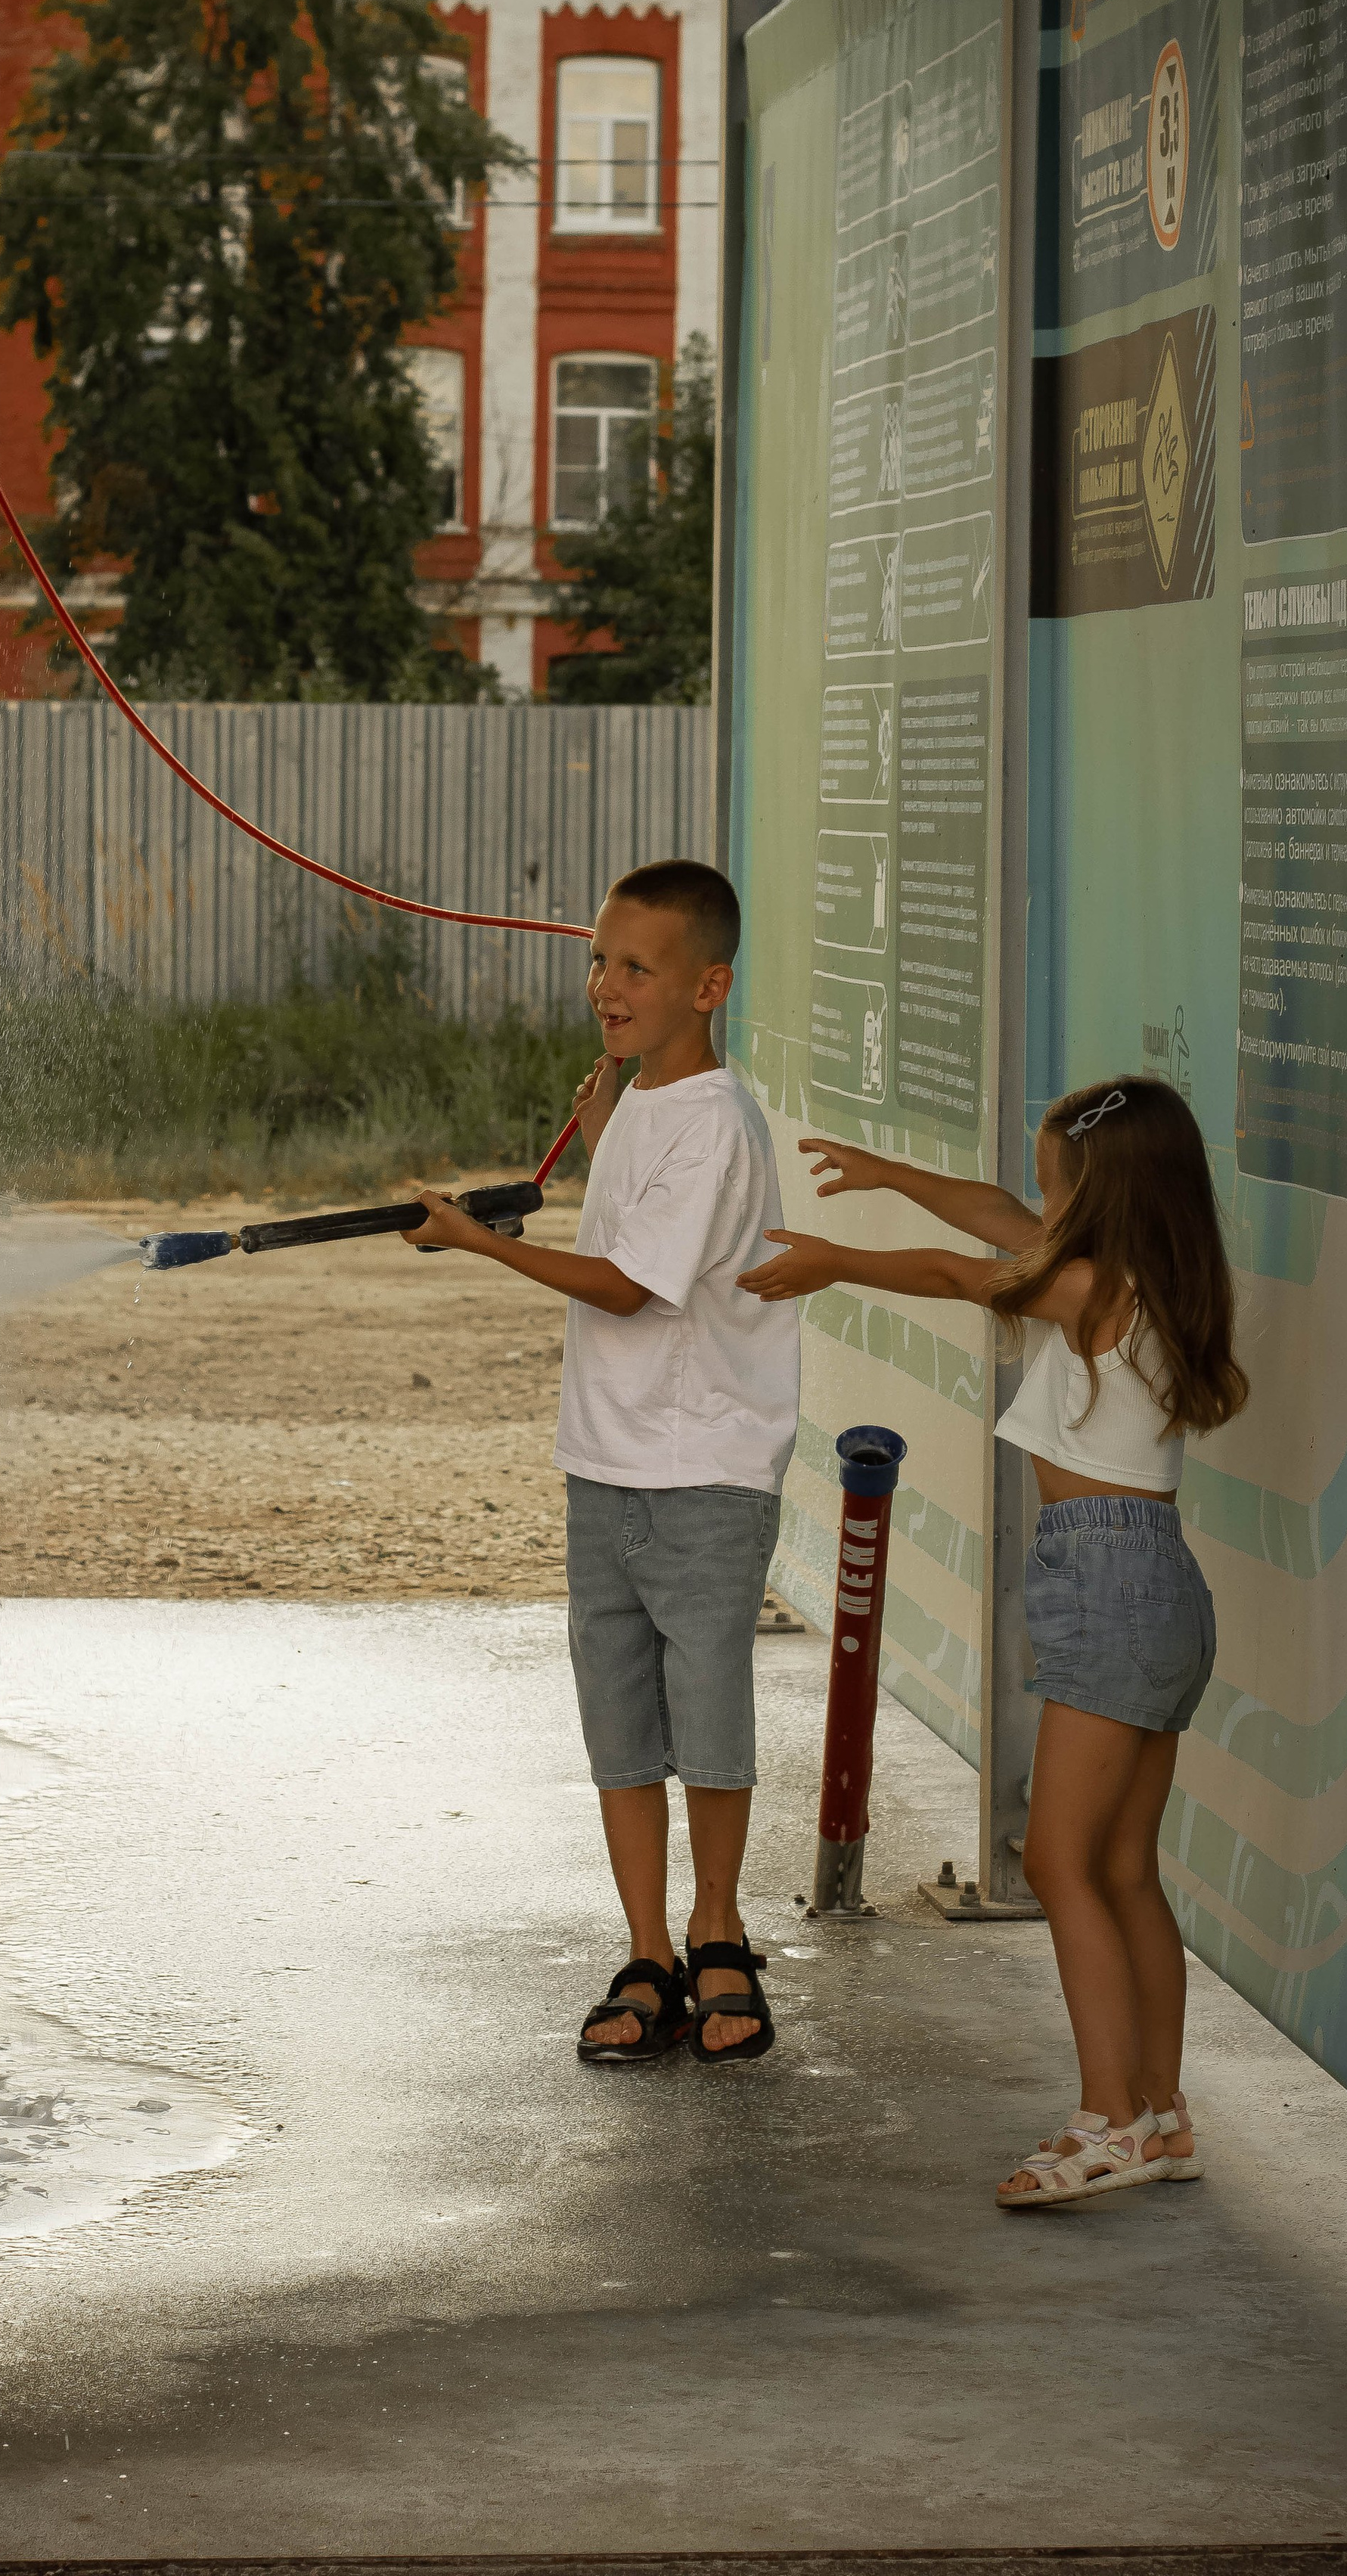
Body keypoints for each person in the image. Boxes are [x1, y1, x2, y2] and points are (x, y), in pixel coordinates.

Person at [736, 1075, 1248, 2202]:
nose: (1040, 1198)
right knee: (1123, 1868)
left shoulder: (1092, 1286)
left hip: (1108, 1576)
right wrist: (891, 1177)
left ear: (1103, 1192)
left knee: (1062, 1860)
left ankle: (1107, 2119)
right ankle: (1159, 2119)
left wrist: (840, 1262)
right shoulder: (1141, 1278)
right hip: (1151, 1577)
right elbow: (987, 1220)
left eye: (1057, 1179)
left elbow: (964, 1274)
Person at [405, 859, 800, 2066]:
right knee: (622, 1719)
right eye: (598, 960)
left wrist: (476, 1245)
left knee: (709, 1712)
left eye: (638, 968)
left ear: (710, 985)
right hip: (608, 1462)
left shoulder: (716, 1122)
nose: (606, 986)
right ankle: (647, 1952)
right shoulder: (636, 1099)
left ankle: (718, 1931)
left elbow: (629, 1287)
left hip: (706, 1467)